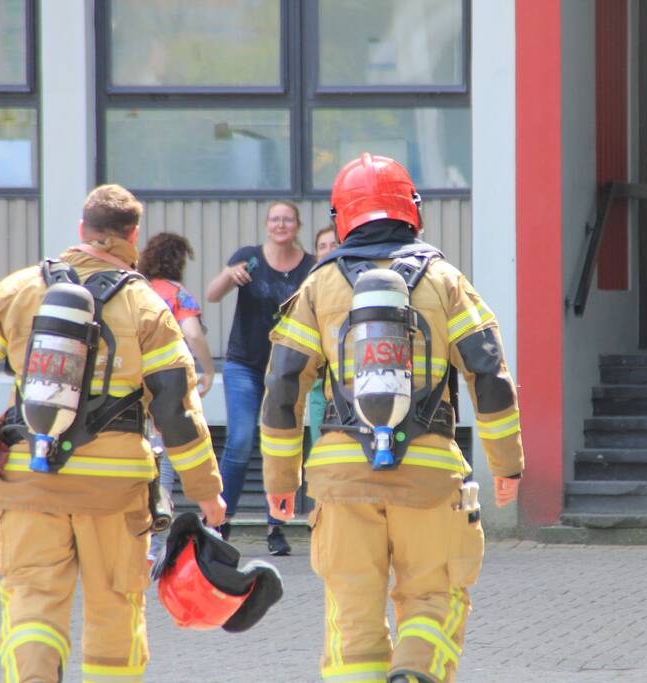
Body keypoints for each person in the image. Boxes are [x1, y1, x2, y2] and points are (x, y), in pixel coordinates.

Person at [0, 184, 226, 682]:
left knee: (32, 606)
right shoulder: (146, 305)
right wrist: (207, 491)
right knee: (114, 613)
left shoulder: (20, 289)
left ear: (81, 230)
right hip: (115, 492)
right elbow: (175, 409)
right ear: (133, 236)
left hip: (30, 481)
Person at [260, 154, 525, 683]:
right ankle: (414, 671)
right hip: (429, 474)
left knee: (352, 615)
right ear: (413, 210)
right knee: (433, 598)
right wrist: (507, 464)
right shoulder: (446, 281)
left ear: (341, 218)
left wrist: (280, 479)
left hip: (340, 479)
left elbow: (283, 384)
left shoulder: (318, 285)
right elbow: (488, 371)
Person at [205, 201, 315, 556]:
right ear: (267, 225)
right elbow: (213, 294)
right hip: (245, 365)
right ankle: (220, 521)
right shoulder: (250, 258)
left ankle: (276, 527)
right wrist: (230, 275)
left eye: (287, 219)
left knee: (280, 447)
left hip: (285, 370)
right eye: (275, 219)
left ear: (297, 225)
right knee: (239, 440)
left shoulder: (311, 267)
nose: (281, 224)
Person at [138, 232, 216, 562]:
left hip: (127, 391)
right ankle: (154, 544)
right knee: (164, 466)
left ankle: (133, 540)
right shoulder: (176, 294)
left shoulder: (135, 291)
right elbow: (193, 333)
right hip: (164, 388)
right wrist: (208, 369)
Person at [306, 225, 338, 448]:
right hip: (319, 381)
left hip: (349, 381)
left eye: (333, 245)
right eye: (322, 246)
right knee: (320, 445)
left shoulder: (358, 281)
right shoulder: (310, 286)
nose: (327, 250)